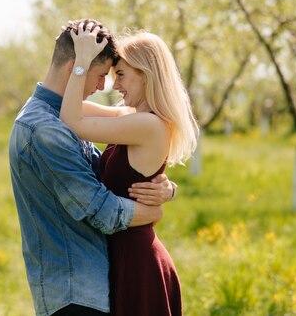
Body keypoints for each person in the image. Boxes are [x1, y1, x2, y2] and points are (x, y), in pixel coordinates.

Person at [9, 19, 178, 316]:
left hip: (117, 269)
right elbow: (101, 210)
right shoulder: (45, 128)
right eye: (103, 75)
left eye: (118, 76)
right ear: (77, 65)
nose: (107, 86)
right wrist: (154, 211)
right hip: (77, 288)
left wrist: (166, 188)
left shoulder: (137, 122)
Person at [60, 22, 199, 316]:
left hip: (137, 261)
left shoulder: (147, 125)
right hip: (126, 254)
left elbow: (73, 122)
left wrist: (82, 63)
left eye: (121, 75)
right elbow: (68, 106)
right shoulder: (134, 117)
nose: (115, 86)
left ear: (146, 75)